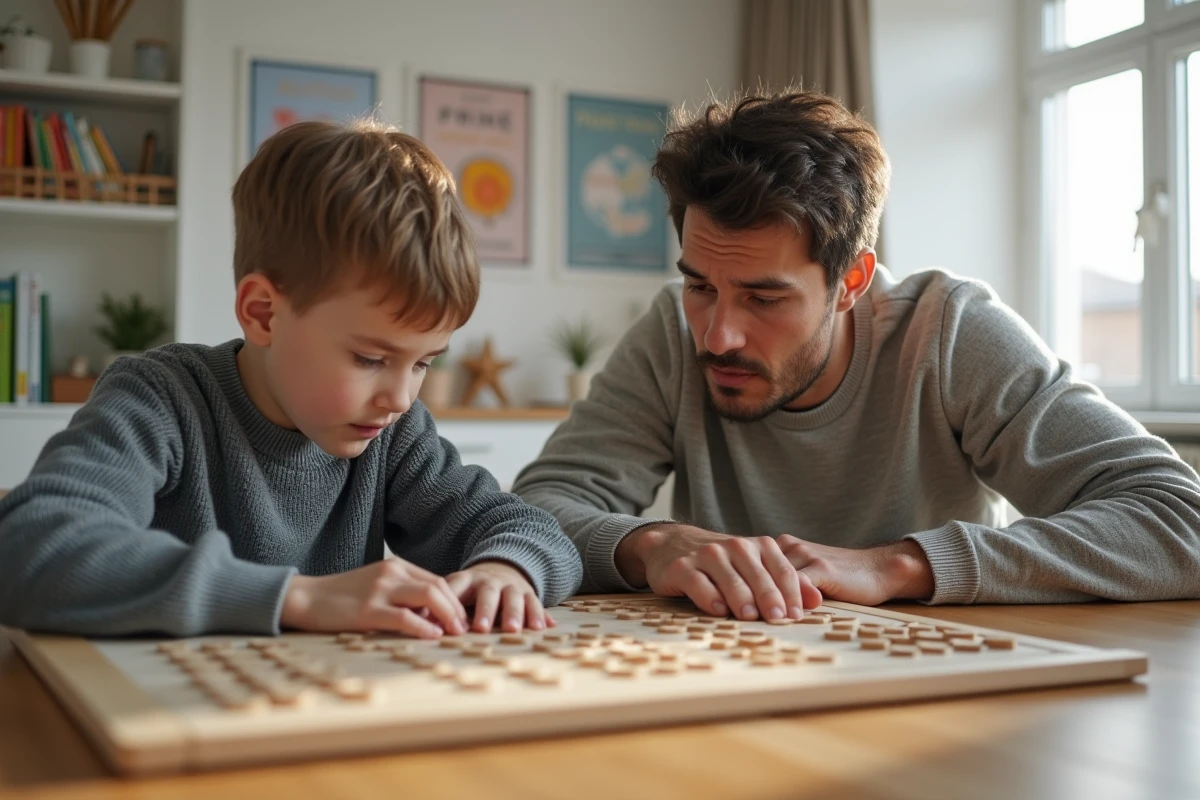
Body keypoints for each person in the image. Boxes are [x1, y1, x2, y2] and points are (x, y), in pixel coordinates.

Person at [513, 90, 1200, 621]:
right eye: (700, 284)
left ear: (850, 283)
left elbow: (1180, 519)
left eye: (763, 298)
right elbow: (537, 508)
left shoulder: (948, 332)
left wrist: (899, 566)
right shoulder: (672, 329)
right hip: (730, 684)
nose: (716, 335)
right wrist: (652, 543)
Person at [0, 120, 582, 638]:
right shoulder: (161, 399)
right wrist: (298, 597)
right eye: (370, 359)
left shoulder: (393, 434)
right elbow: (29, 548)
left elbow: (530, 529)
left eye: (425, 362)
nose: (401, 398)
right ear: (263, 313)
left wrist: (505, 568)